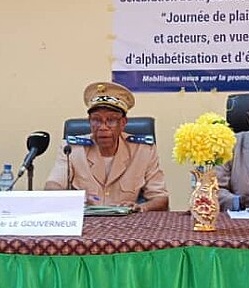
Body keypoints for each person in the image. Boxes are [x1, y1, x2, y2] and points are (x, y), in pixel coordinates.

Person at [44, 81, 169, 212]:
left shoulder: (143, 150)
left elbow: (161, 198)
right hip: (86, 220)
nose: (103, 127)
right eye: (96, 120)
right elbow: (53, 186)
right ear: (89, 121)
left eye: (111, 120)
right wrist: (74, 200)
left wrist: (141, 207)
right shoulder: (71, 149)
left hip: (127, 221)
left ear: (123, 123)